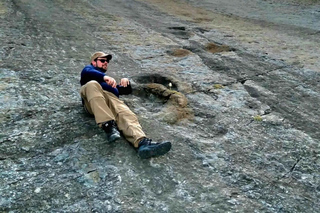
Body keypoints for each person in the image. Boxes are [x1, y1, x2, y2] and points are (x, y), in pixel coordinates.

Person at [80, 51, 171, 159]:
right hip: (93, 101)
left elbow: (125, 91)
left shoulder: (109, 83)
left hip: (111, 101)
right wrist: (104, 77)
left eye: (107, 61)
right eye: (102, 60)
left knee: (125, 113)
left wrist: (126, 83)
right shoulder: (89, 72)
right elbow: (87, 71)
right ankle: (108, 126)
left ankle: (142, 143)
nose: (106, 63)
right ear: (93, 62)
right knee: (92, 84)